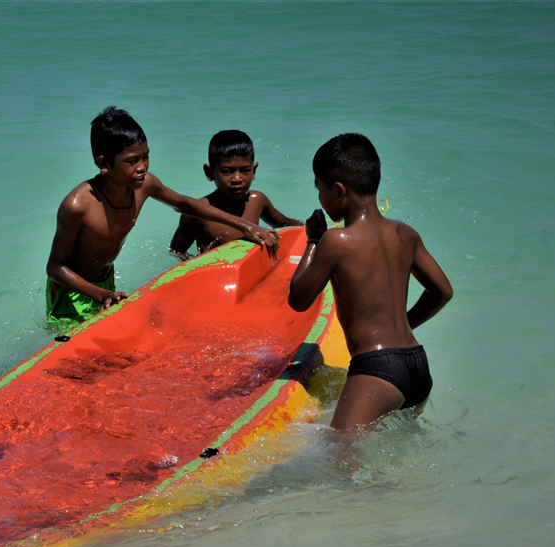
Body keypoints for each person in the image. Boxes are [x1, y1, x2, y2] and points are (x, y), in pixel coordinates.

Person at [46, 107, 280, 327]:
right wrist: (101, 294)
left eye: (145, 157)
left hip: (106, 284)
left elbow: (184, 203)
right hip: (73, 293)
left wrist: (247, 226)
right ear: (103, 163)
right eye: (131, 161)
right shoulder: (77, 205)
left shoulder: (144, 184)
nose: (142, 167)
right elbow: (55, 267)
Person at [288, 133, 453, 431]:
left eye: (319, 189)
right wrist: (403, 326)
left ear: (338, 190)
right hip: (417, 363)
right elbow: (442, 292)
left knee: (339, 459)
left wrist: (313, 240)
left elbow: (298, 299)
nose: (319, 199)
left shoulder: (335, 241)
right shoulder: (405, 234)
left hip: (377, 370)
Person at [170, 130, 303, 260]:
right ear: (209, 173)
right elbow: (177, 252)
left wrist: (308, 228)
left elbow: (284, 223)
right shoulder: (197, 212)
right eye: (227, 171)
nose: (237, 179)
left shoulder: (257, 201)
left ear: (254, 170)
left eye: (245, 170)